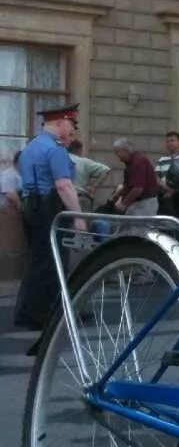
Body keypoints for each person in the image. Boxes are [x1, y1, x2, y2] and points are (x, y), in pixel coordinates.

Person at [14, 104, 85, 354]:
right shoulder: (54, 150)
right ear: (60, 123)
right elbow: (64, 185)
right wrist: (78, 216)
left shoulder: (30, 148)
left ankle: (29, 313)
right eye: (70, 125)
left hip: (29, 205)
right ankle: (48, 315)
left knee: (38, 260)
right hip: (49, 207)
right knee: (55, 260)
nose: (71, 130)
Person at [111, 138, 161, 217]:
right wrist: (120, 197)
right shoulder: (133, 162)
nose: (117, 156)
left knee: (138, 228)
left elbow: (137, 188)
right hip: (139, 203)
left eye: (117, 152)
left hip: (143, 203)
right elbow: (129, 185)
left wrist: (124, 204)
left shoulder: (137, 162)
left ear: (124, 150)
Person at [156, 131, 179, 223]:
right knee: (165, 224)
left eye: (172, 141)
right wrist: (166, 188)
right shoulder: (162, 160)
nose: (170, 143)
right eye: (168, 141)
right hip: (164, 197)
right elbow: (156, 177)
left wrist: (173, 190)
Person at [68, 139, 112, 209]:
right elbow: (106, 170)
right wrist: (94, 186)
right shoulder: (84, 162)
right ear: (79, 150)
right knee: (82, 218)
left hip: (61, 197)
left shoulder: (59, 159)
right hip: (80, 196)